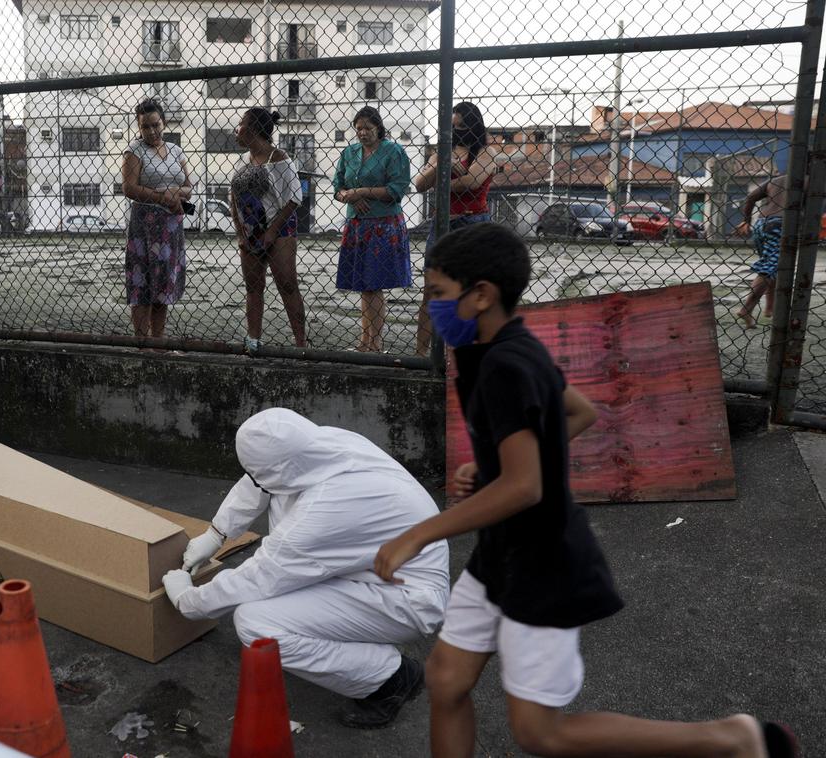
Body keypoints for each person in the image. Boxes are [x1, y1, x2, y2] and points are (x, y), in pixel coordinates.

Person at [373, 223, 799, 758]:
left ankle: (732, 738)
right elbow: (577, 412)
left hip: (543, 563)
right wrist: (497, 469)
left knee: (540, 734)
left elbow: (525, 488)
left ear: (480, 294)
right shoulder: (501, 348)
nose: (429, 307)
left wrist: (421, 533)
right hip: (501, 553)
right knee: (447, 681)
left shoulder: (506, 364)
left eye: (437, 293)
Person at [162, 407, 450, 729]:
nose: (260, 480)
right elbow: (259, 480)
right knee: (277, 544)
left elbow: (262, 574)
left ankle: (390, 679)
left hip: (406, 599)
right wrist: (216, 534)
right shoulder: (316, 445)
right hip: (372, 570)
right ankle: (362, 651)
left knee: (257, 625)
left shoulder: (327, 508)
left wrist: (188, 600)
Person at [412, 102, 498, 356]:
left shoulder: (486, 152)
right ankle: (421, 355)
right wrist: (442, 166)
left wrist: (442, 177)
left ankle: (465, 353)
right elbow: (418, 184)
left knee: (470, 291)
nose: (457, 131)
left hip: (471, 223)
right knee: (432, 291)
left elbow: (471, 182)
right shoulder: (442, 152)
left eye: (461, 125)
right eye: (452, 126)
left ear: (474, 125)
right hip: (442, 224)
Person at [332, 106, 414, 353]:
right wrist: (351, 197)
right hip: (357, 223)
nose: (362, 133)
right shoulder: (349, 153)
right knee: (364, 285)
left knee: (374, 283)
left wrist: (362, 192)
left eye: (368, 128)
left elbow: (397, 189)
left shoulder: (393, 151)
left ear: (379, 128)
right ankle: (364, 342)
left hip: (383, 225)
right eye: (358, 128)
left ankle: (374, 343)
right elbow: (338, 186)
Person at [230, 107, 307, 351]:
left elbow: (294, 197)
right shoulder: (244, 160)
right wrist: (241, 234)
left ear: (252, 130)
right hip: (250, 232)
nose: (236, 130)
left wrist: (272, 232)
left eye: (240, 124)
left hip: (279, 229)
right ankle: (253, 341)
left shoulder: (280, 158)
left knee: (287, 284)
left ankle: (301, 344)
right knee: (253, 287)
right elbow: (234, 198)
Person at [121, 98, 192, 339]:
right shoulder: (135, 151)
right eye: (145, 127)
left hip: (170, 226)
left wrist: (175, 193)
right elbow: (129, 188)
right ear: (138, 127)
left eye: (155, 125)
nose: (152, 131)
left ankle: (158, 342)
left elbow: (189, 187)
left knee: (163, 285)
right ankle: (142, 341)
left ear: (163, 122)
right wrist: (161, 197)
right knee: (142, 284)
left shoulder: (176, 150)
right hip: (145, 225)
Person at [733, 174, 786, 329]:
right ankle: (747, 309)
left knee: (772, 265)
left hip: (761, 223)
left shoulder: (776, 180)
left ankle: (770, 308)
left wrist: (747, 220)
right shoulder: (809, 180)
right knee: (770, 267)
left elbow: (750, 197)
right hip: (780, 225)